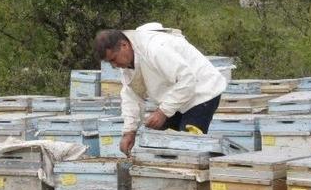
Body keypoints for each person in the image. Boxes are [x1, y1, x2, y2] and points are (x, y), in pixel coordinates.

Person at [93, 24, 226, 156]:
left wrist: (162, 112)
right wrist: (130, 131)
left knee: (187, 149)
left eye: (114, 59)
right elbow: (132, 96)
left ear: (124, 45)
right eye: (110, 63)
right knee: (162, 147)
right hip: (176, 98)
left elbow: (187, 80)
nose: (114, 65)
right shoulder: (127, 62)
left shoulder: (155, 48)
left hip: (201, 92)